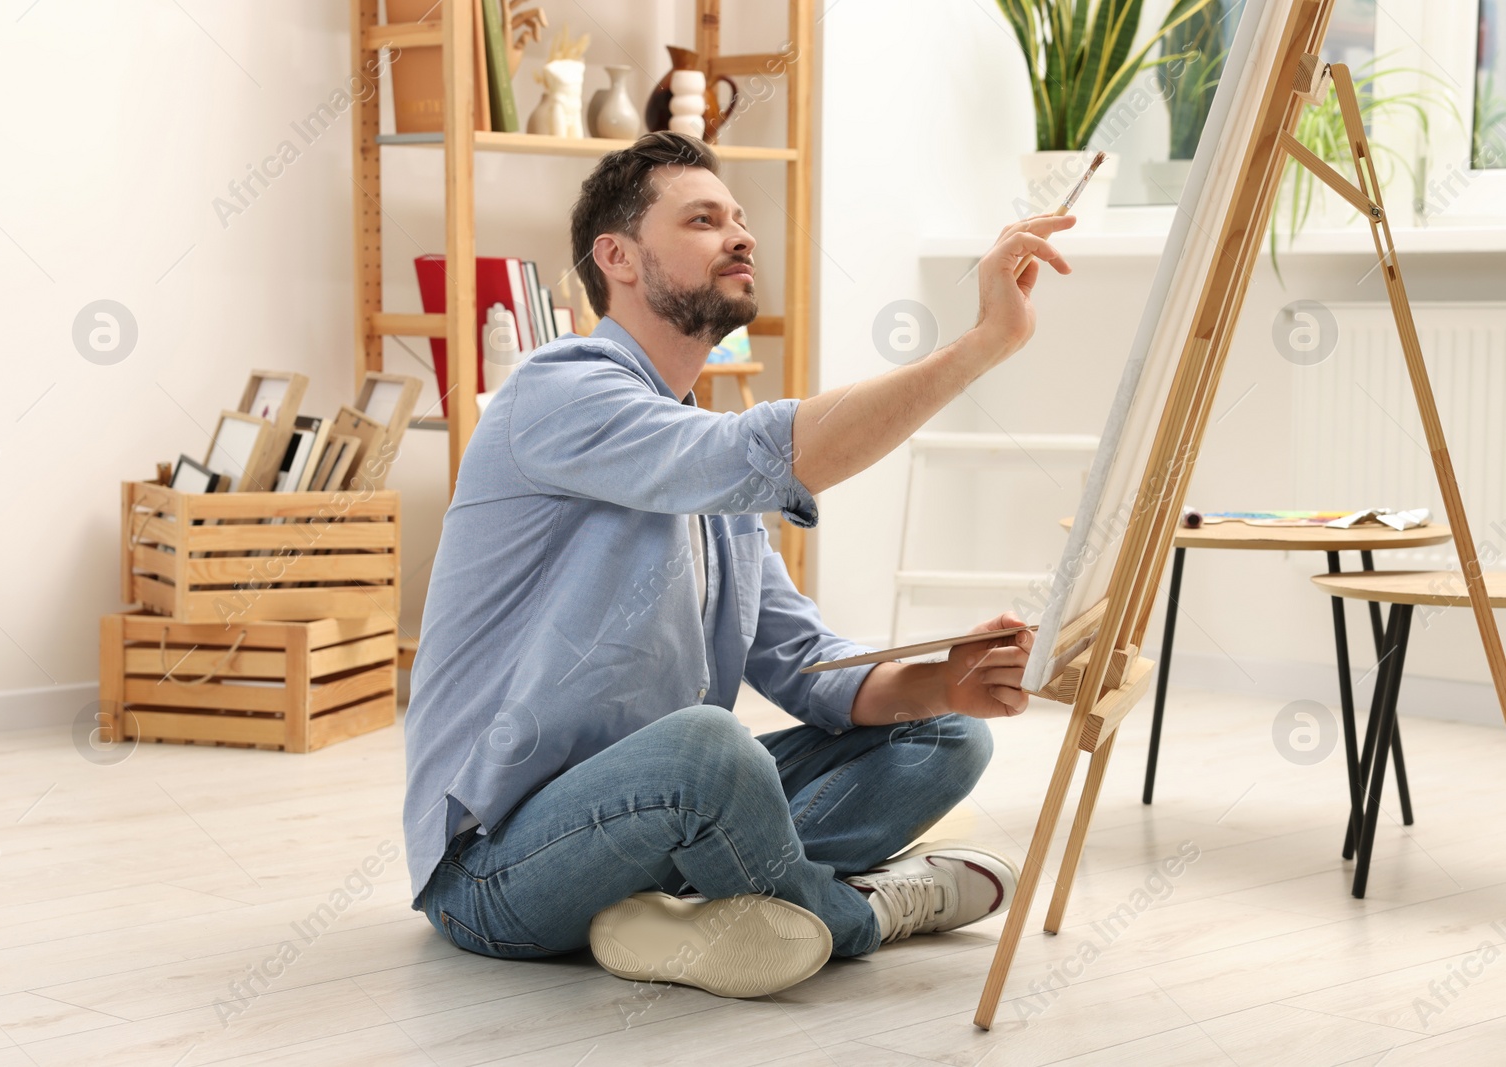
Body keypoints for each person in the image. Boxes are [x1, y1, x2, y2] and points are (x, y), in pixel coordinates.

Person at [403, 131, 1075, 998]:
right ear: (620, 258)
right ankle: (857, 911)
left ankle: (696, 909)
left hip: (649, 827)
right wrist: (982, 343)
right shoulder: (559, 393)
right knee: (708, 748)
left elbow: (808, 668)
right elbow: (763, 455)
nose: (742, 236)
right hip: (494, 871)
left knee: (945, 734)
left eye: (742, 219)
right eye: (704, 220)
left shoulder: (700, 458)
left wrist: (947, 679)